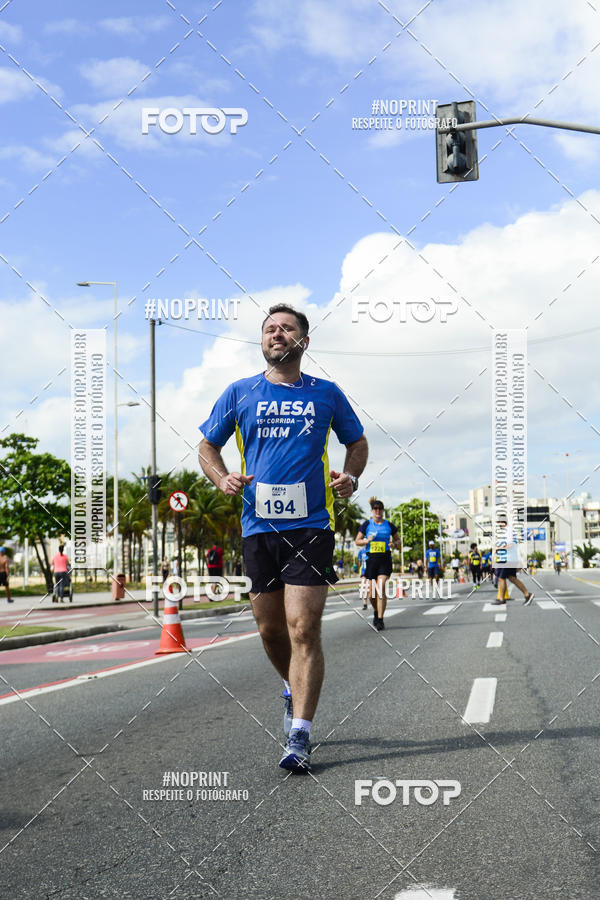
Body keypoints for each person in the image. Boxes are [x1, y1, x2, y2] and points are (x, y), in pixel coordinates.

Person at [198, 303, 368, 772]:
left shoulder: (326, 394)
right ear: (262, 341)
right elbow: (207, 445)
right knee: (271, 630)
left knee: (302, 627)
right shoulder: (239, 392)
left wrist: (350, 477)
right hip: (258, 527)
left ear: (303, 342)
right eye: (270, 328)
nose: (277, 333)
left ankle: (300, 734)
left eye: (287, 328)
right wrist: (221, 478)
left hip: (311, 524)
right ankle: (291, 686)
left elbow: (357, 442)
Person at [355, 501, 401, 630]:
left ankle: (380, 619)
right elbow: (357, 541)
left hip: (385, 559)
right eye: (375, 509)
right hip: (371, 560)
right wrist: (366, 540)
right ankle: (376, 611)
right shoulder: (367, 524)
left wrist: (394, 544)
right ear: (372, 510)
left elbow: (398, 539)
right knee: (371, 594)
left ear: (383, 510)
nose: (378, 511)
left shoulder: (389, 525)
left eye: (380, 509)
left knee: (381, 587)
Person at [493, 516, 534, 606]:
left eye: (499, 521)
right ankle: (527, 595)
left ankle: (502, 599)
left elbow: (510, 544)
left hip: (509, 559)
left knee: (501, 578)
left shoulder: (509, 530)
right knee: (512, 578)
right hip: (505, 559)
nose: (497, 524)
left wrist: (500, 549)